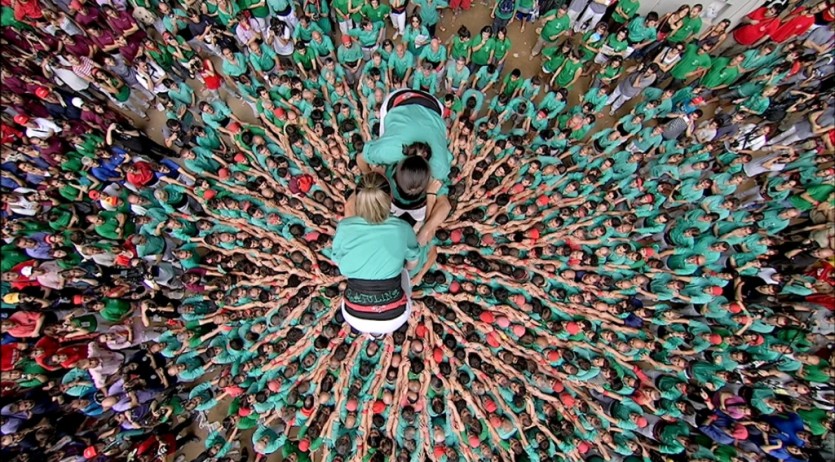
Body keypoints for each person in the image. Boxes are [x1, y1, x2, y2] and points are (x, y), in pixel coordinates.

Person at [332, 172, 419, 335]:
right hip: (392, 316)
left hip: (354, 315)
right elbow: (412, 262)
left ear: (358, 199)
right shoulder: (402, 227)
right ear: (390, 199)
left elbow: (337, 260)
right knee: (407, 270)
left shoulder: (344, 226)